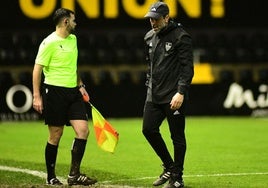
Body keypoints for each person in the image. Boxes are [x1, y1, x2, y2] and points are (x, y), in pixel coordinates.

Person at [32, 8, 97, 186]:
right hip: (54, 92)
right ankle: (51, 176)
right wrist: (37, 96)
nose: (76, 23)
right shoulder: (49, 43)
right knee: (56, 134)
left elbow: (72, 66)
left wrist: (80, 85)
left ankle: (73, 175)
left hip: (73, 92)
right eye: (73, 20)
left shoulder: (73, 39)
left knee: (83, 131)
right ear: (65, 22)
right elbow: (37, 70)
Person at [142, 2, 194, 188]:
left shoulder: (181, 37)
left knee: (177, 137)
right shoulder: (149, 37)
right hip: (154, 95)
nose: (152, 22)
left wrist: (180, 92)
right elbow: (151, 66)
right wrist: (149, 84)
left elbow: (187, 69)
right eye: (150, 18)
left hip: (173, 96)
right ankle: (170, 167)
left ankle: (177, 178)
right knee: (148, 130)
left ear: (166, 18)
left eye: (156, 19)